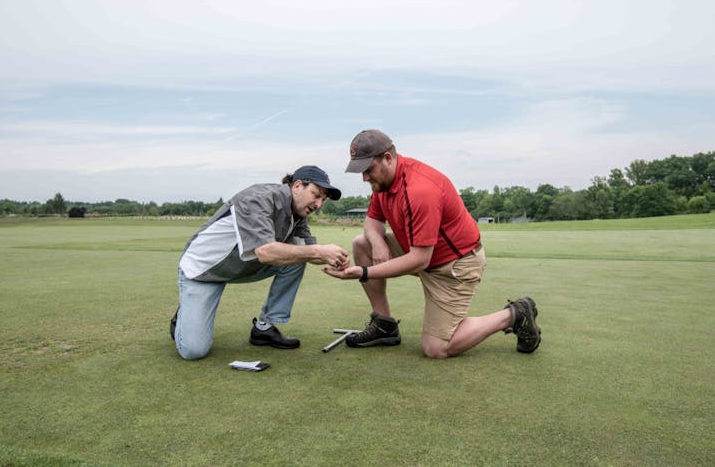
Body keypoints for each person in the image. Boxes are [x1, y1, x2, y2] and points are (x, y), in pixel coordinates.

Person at [324, 130, 541, 359]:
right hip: (423, 252)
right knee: (362, 243)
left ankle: (515, 314)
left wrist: (365, 272)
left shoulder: (420, 190)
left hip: (455, 265)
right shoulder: (384, 183)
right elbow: (373, 219)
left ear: (388, 158)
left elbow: (420, 259)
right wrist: (378, 243)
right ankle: (384, 325)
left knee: (436, 348)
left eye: (368, 170)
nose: (365, 178)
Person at [171, 165, 350, 360]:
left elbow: (308, 252)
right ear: (297, 186)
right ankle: (184, 315)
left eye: (323, 199)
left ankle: (264, 327)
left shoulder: (298, 214)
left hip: (240, 266)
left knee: (299, 254)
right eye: (316, 195)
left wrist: (335, 259)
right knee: (193, 351)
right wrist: (318, 251)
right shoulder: (258, 198)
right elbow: (265, 252)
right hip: (202, 272)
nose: (318, 204)